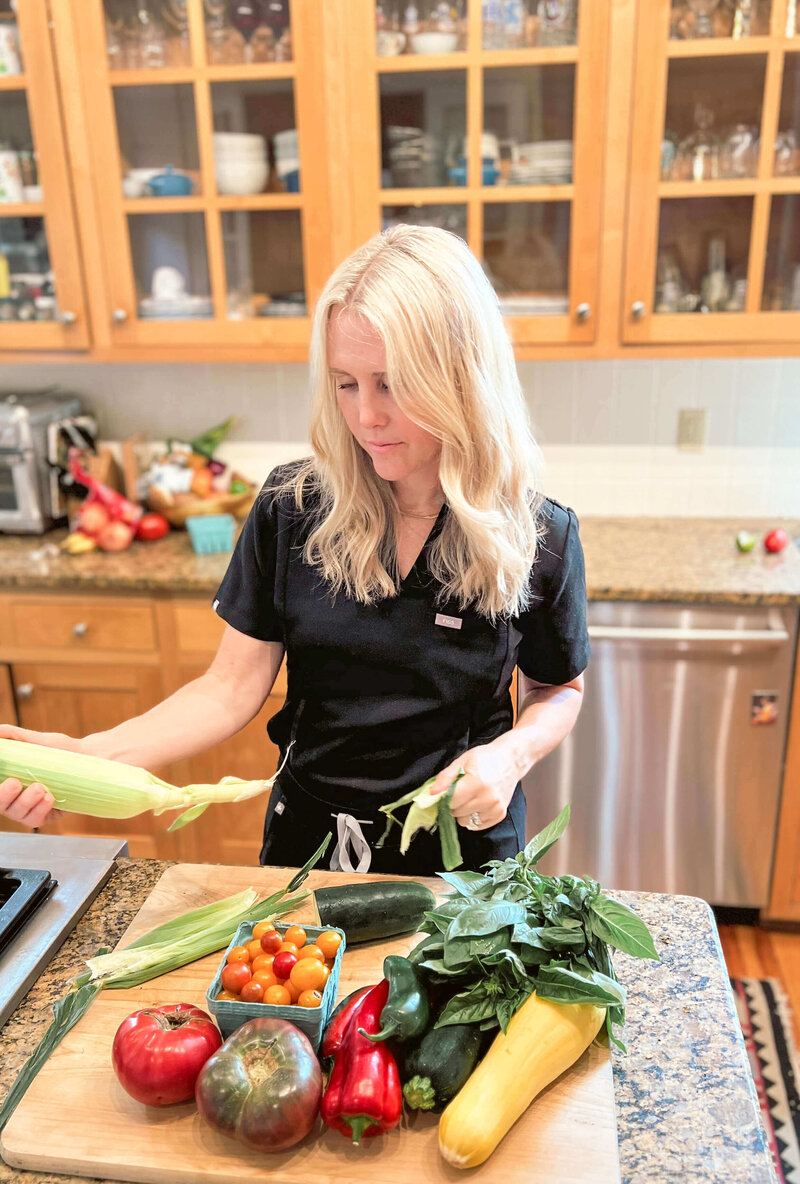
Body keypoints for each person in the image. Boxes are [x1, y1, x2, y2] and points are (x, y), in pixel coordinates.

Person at [0, 225, 589, 875]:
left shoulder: (538, 535)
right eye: (346, 383)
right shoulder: (292, 508)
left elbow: (558, 687)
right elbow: (228, 687)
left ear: (463, 377)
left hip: (462, 854)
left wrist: (511, 757)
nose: (366, 417)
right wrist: (95, 754)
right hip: (307, 846)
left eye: (393, 384)